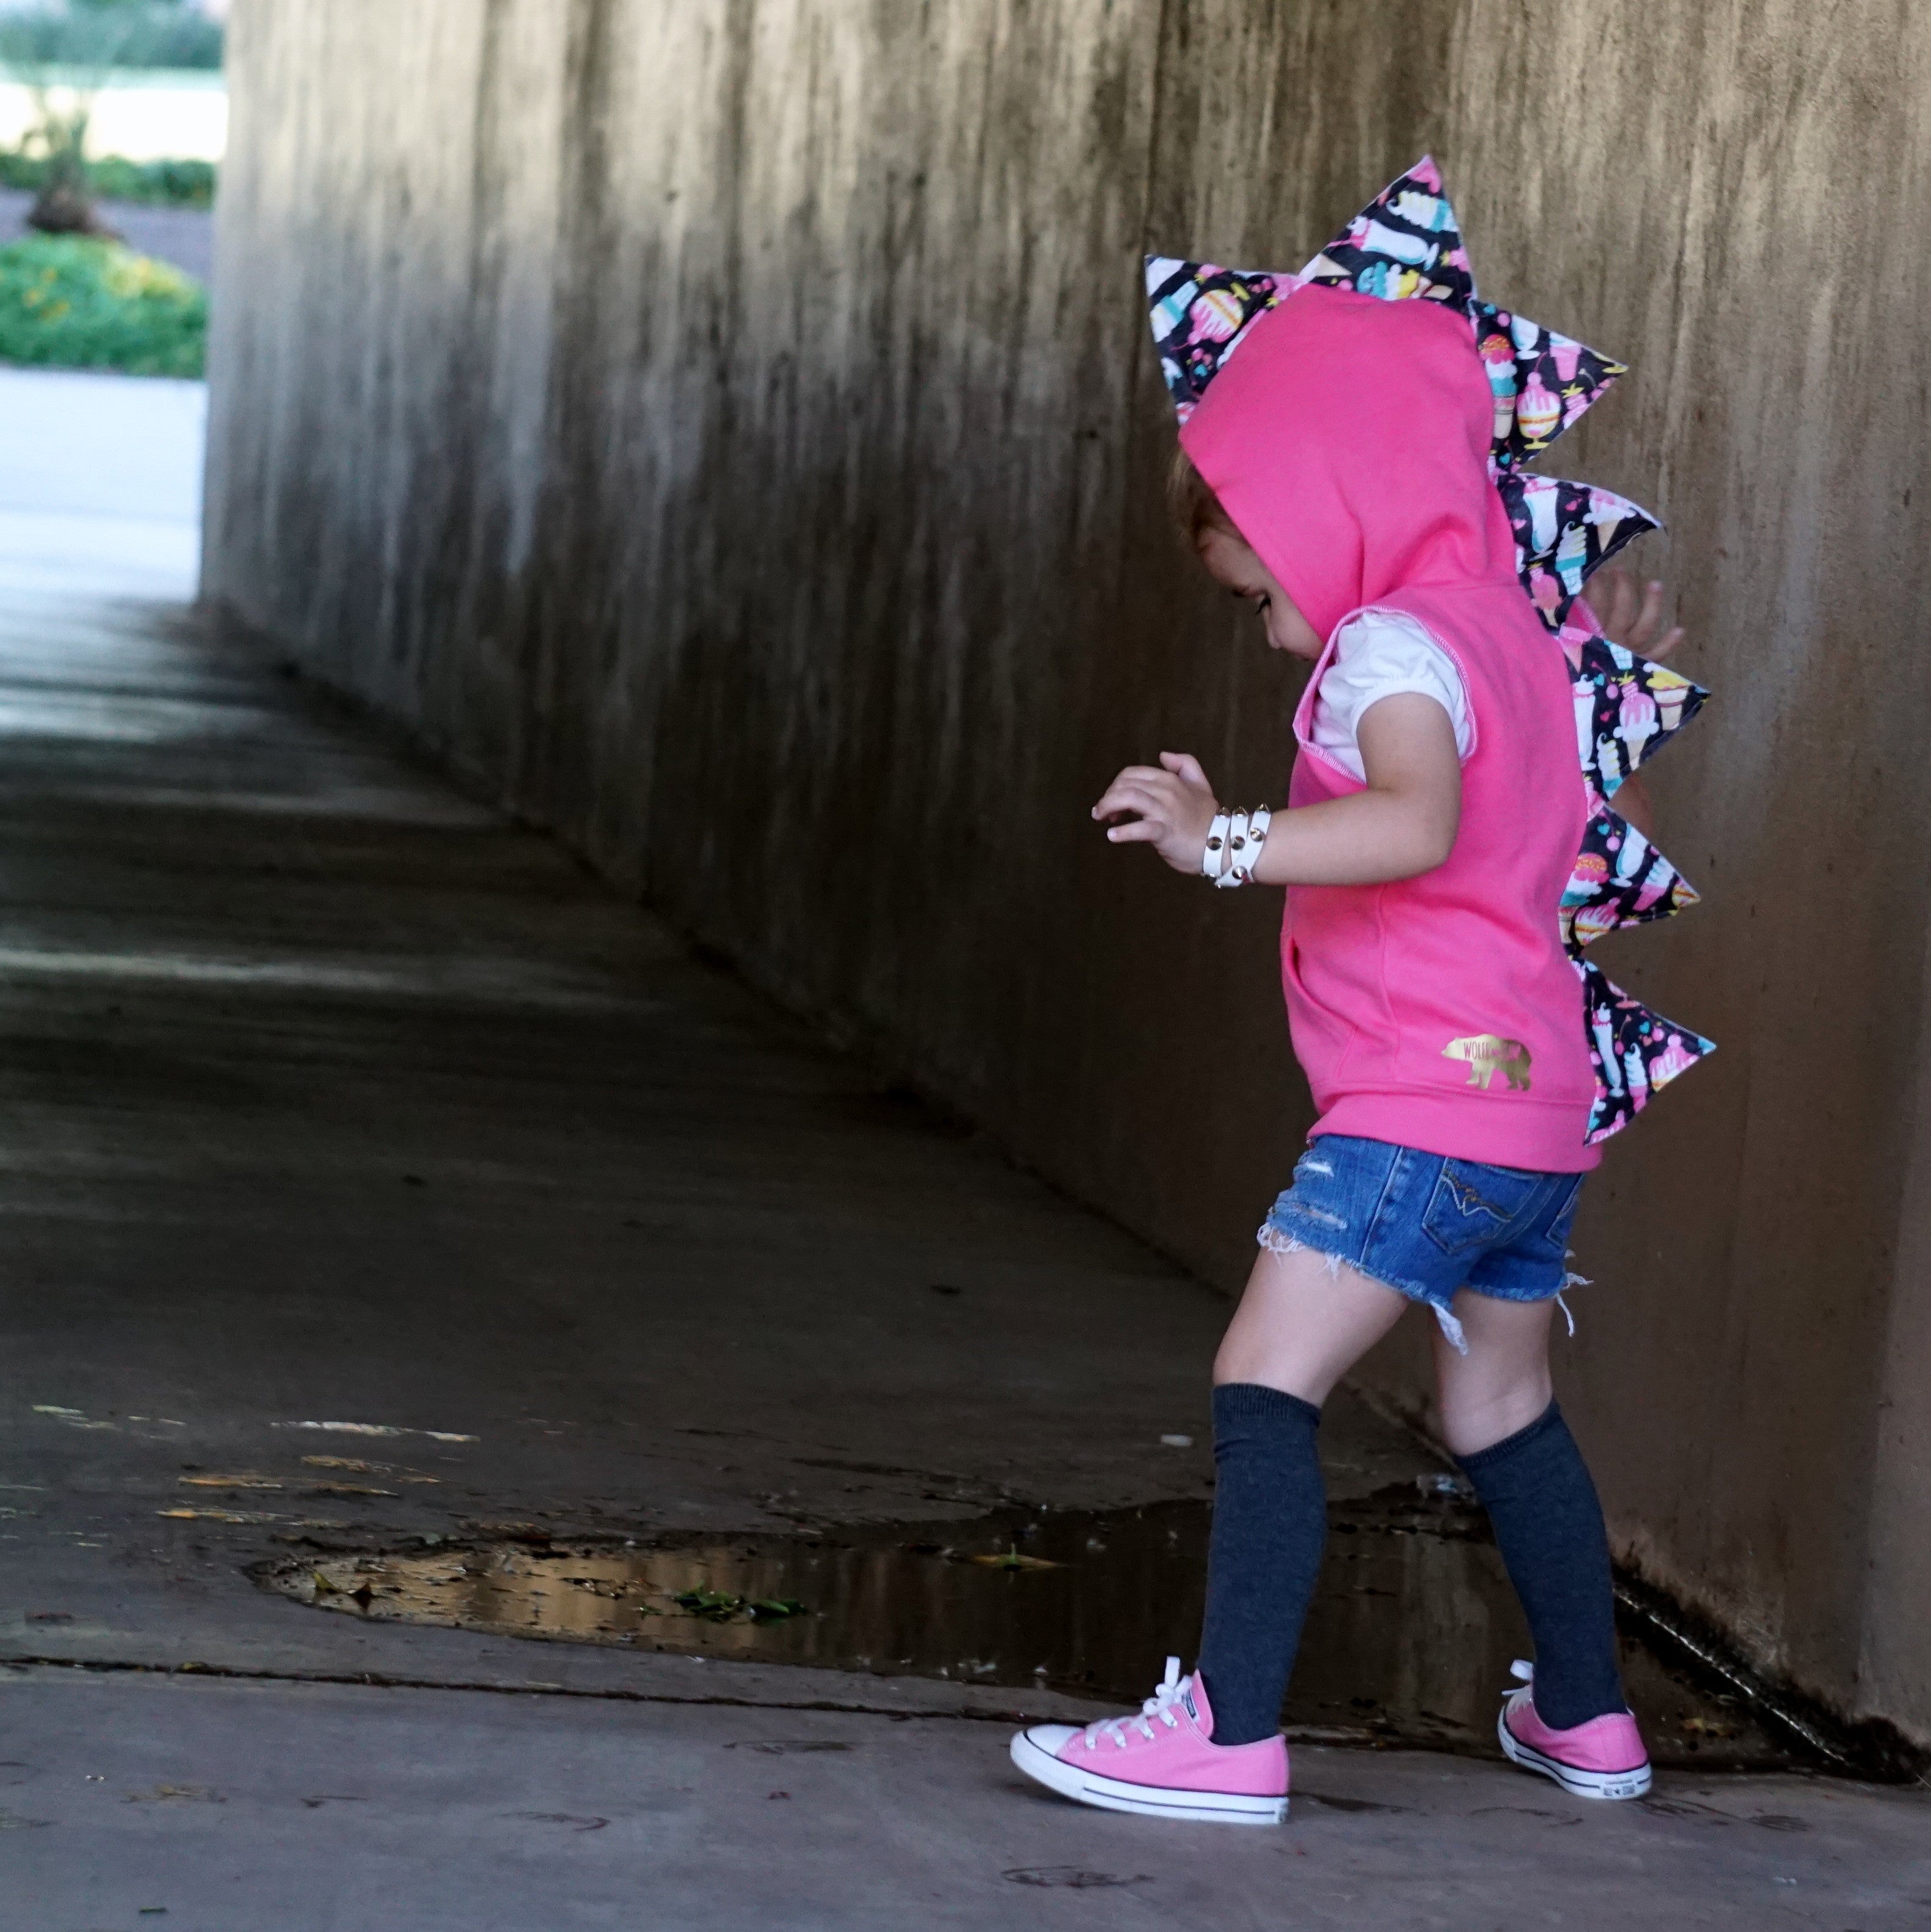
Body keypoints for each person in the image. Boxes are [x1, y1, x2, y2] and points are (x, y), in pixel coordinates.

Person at [1009, 185, 1706, 1824]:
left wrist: (1217, 838)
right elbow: (1539, 834)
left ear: (1331, 504)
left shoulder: (1391, 646)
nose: (1264, 626)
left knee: (1265, 1383)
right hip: (1535, 1119)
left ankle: (1228, 1735)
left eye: (1258, 585)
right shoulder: (1514, 643)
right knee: (1501, 1406)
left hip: (1416, 1111)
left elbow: (1413, 825)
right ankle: (1589, 1721)